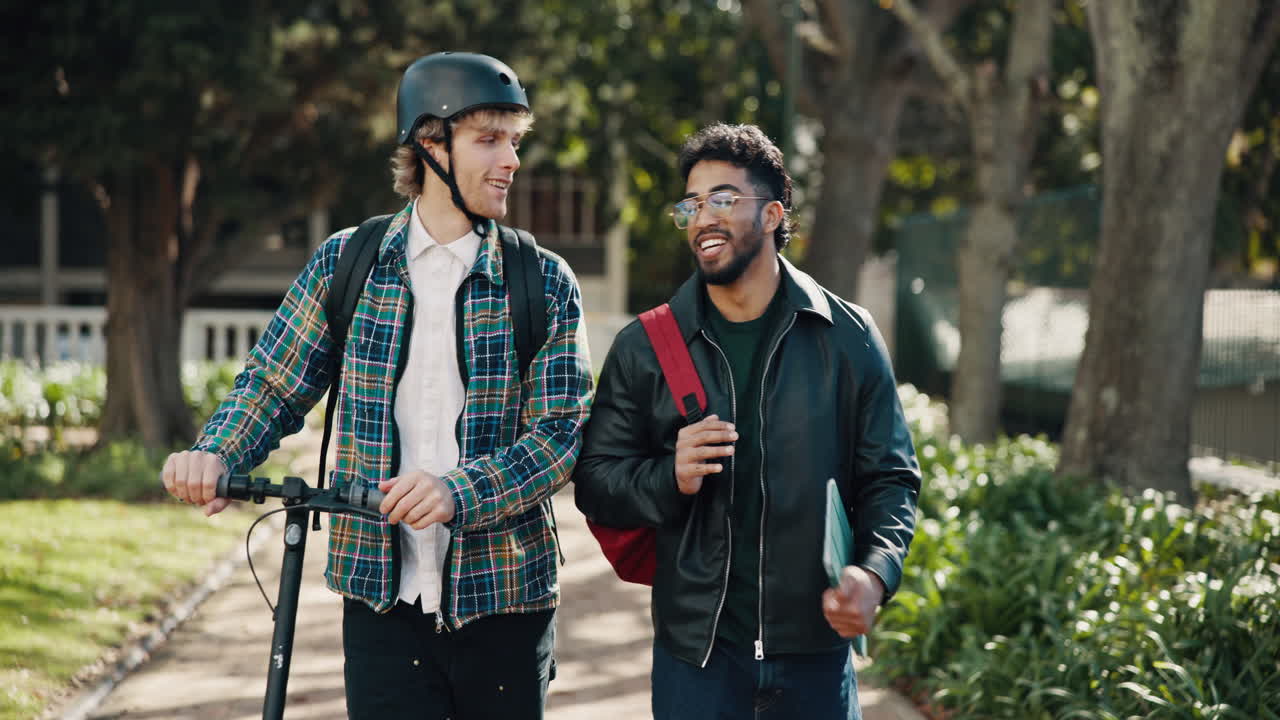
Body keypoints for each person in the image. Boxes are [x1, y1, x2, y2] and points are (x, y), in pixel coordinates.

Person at [161, 52, 593, 720]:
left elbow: (560, 436)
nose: (510, 159)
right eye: (488, 139)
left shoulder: (541, 280)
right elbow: (275, 382)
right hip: (379, 600)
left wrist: (458, 491)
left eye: (515, 139)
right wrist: (218, 452)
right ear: (429, 143)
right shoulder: (349, 263)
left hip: (506, 598)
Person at [573, 123, 920, 719]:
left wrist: (874, 572)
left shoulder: (848, 336)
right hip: (697, 662)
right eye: (692, 204)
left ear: (771, 214)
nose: (703, 216)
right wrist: (668, 476)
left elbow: (890, 477)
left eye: (724, 199)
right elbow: (596, 482)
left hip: (816, 658)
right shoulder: (645, 346)